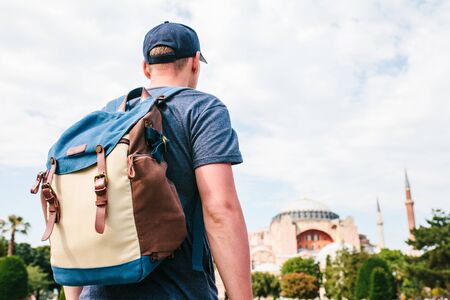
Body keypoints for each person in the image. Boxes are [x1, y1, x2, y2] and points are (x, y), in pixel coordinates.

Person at [66, 21, 252, 299]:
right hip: (179, 290)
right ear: (194, 63)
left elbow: (77, 211)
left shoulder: (105, 116)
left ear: (146, 67)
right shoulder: (203, 109)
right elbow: (220, 208)